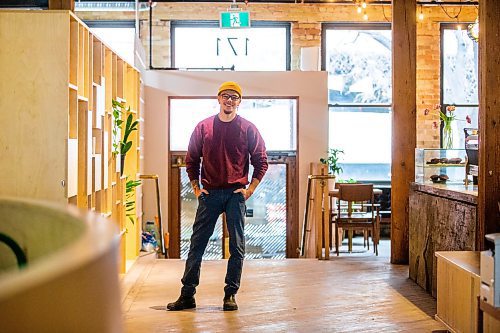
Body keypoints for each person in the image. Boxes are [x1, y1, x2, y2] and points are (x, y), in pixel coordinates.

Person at [167, 81, 268, 311]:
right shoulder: (204, 127)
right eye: (226, 96)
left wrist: (249, 190)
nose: (229, 100)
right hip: (210, 194)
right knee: (197, 244)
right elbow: (192, 159)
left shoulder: (248, 128)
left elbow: (261, 161)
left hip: (235, 195)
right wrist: (196, 187)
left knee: (237, 247)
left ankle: (230, 295)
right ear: (219, 98)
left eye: (234, 97)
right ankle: (187, 295)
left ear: (239, 102)